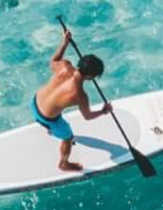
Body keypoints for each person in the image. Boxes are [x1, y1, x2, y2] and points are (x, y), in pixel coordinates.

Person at [32, 30, 111, 171]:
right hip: (46, 118)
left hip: (34, 102)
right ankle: (64, 164)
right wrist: (103, 111)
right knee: (68, 137)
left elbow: (53, 61)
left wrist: (65, 42)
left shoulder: (64, 66)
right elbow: (87, 117)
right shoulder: (80, 95)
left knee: (57, 109)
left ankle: (50, 129)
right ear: (91, 77)